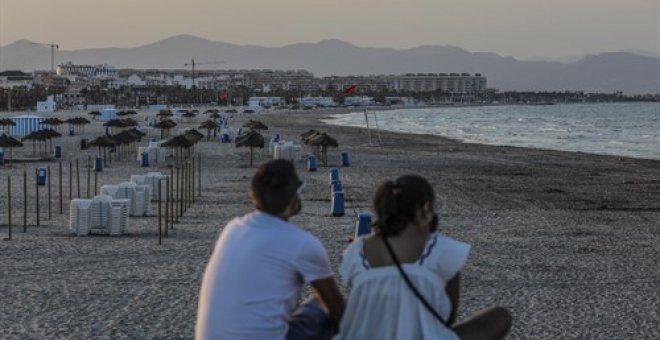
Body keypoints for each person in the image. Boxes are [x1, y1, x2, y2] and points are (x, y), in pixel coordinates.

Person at [335, 175, 511, 340]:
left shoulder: (355, 251)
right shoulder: (444, 250)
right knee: (500, 316)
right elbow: (447, 318)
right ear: (425, 210)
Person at [196, 159, 344, 340]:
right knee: (324, 308)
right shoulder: (303, 244)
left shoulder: (233, 228)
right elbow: (338, 309)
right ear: (293, 198)